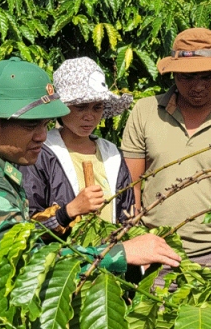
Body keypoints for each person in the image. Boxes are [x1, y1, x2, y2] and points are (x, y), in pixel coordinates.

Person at [0, 56, 180, 280]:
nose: (41, 136)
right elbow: (27, 261)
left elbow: (22, 235)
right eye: (29, 126)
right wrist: (120, 253)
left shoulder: (1, 166)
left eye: (44, 125)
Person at [121, 28, 211, 276]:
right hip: (157, 253)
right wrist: (139, 244)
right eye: (187, 77)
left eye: (207, 76)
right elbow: (130, 187)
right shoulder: (145, 112)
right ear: (174, 74)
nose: (197, 86)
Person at [21, 57, 136, 231]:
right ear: (63, 107)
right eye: (81, 107)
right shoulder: (41, 153)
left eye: (97, 107)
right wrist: (68, 212)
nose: (89, 116)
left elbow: (126, 212)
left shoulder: (111, 154)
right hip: (62, 255)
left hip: (110, 253)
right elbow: (28, 225)